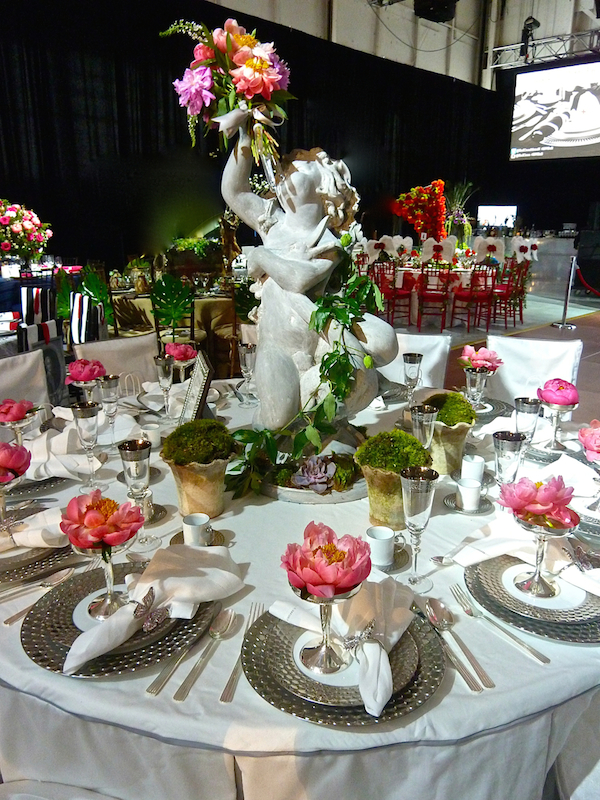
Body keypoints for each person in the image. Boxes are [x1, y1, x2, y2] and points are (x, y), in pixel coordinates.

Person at [222, 129, 397, 430]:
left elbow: (297, 280)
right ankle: (287, 432)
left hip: (319, 342)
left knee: (383, 345)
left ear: (325, 186)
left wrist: (261, 257)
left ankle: (338, 413)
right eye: (283, 168)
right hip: (277, 346)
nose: (283, 169)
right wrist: (245, 136)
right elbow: (234, 191)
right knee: (277, 419)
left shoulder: (329, 241)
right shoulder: (271, 220)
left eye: (297, 166)